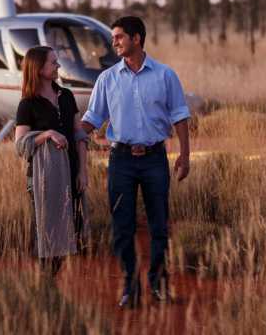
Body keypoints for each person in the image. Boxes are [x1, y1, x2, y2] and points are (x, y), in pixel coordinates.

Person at [80, 16, 191, 308]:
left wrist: (185, 155)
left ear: (137, 38)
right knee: (122, 226)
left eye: (119, 37)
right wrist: (67, 134)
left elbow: (180, 115)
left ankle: (158, 286)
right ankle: (131, 288)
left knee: (159, 226)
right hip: (121, 161)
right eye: (114, 37)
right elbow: (92, 118)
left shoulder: (165, 75)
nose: (114, 41)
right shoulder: (107, 79)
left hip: (155, 158)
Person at [14, 46, 90, 275]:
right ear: (38, 69)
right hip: (43, 178)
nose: (57, 66)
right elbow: (20, 145)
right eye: (53, 62)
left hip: (72, 172)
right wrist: (46, 134)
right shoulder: (28, 104)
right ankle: (46, 284)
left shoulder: (66, 96)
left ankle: (56, 282)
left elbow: (79, 135)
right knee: (46, 232)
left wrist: (83, 172)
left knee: (72, 230)